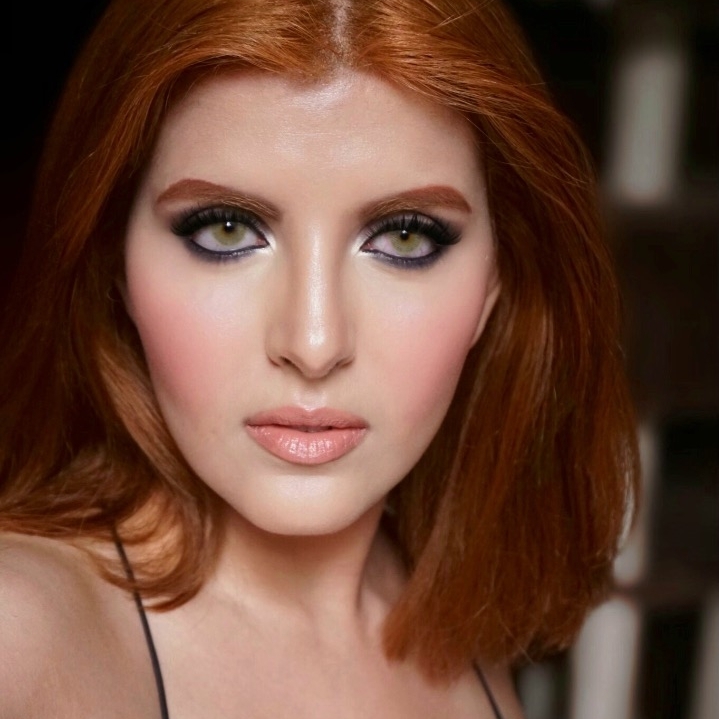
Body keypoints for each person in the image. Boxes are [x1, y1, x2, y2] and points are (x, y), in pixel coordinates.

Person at [0, 0, 639, 716]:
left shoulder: (456, 621)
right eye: (225, 229)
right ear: (113, 260)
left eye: (404, 237)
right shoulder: (20, 635)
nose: (314, 344)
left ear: (498, 279)